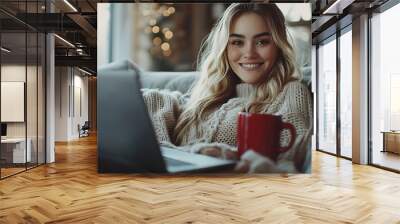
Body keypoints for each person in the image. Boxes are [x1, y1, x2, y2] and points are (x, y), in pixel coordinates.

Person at [142, 3, 312, 173]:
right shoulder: (204, 98)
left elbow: (288, 162)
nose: (249, 53)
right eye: (237, 42)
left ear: (278, 46)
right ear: (224, 48)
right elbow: (167, 107)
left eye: (262, 42)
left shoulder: (291, 92)